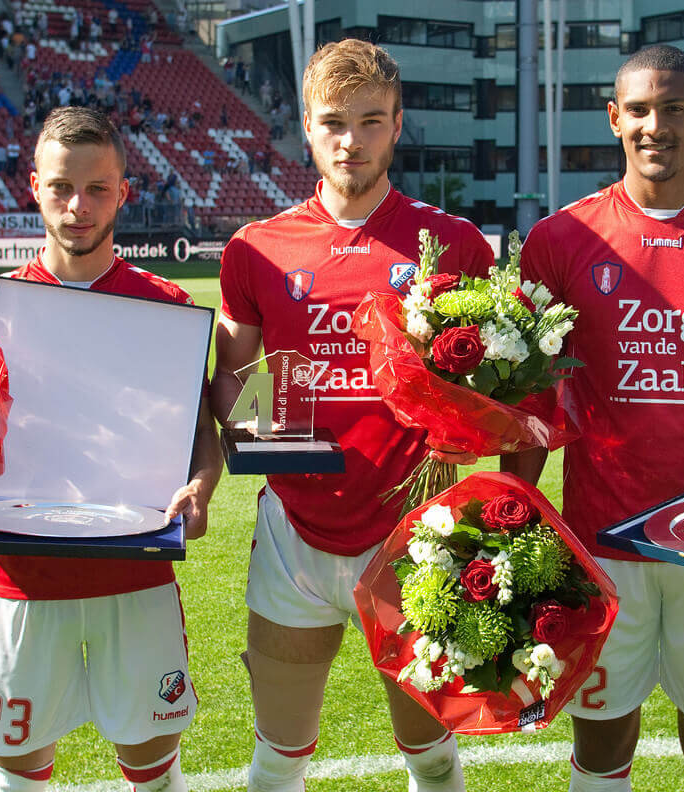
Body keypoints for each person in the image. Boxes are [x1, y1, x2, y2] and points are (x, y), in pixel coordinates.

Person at [505, 45, 684, 792]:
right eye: (638, 109)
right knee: (600, 747)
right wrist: (514, 511)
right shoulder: (561, 241)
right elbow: (534, 397)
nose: (654, 125)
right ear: (614, 118)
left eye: (672, 109)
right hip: (602, 539)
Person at [212, 40, 494, 792]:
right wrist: (250, 420)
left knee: (430, 756)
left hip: (418, 538)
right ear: (307, 126)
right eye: (334, 122)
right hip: (292, 536)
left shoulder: (455, 245)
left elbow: (498, 393)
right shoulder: (256, 250)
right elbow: (234, 388)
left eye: (371, 121)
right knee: (278, 759)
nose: (352, 140)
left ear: (398, 125)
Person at [0, 107, 221, 792]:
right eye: (62, 187)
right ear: (33, 186)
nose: (79, 207)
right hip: (22, 580)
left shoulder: (165, 306)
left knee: (153, 769)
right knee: (15, 771)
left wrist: (200, 487)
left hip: (135, 577)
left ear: (124, 193)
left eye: (98, 188)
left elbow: (200, 434)